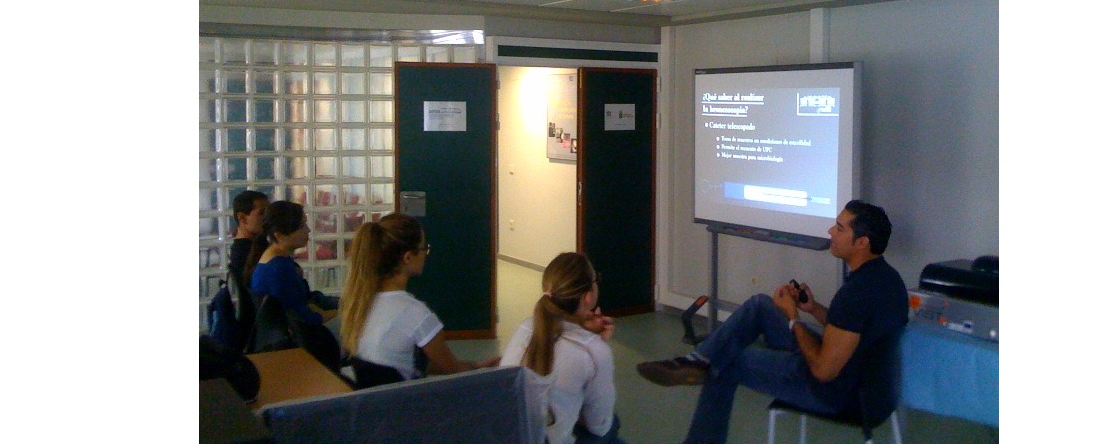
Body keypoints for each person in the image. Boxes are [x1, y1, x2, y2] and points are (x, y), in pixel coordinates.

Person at [636, 200, 908, 444]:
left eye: (839, 229)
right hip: (875, 389)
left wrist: (793, 318)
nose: (830, 232)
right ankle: (697, 359)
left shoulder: (856, 294)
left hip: (836, 393)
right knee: (760, 305)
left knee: (728, 361)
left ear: (862, 243)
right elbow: (851, 331)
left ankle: (701, 414)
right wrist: (812, 309)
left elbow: (824, 371)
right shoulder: (887, 280)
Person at [339, 213, 499, 380]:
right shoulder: (415, 313)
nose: (425, 254)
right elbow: (454, 369)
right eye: (424, 249)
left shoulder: (359, 303)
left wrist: (477, 365)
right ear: (408, 257)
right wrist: (481, 367)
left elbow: (406, 362)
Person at [500, 252, 623, 444]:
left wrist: (587, 336)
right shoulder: (594, 351)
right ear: (588, 297)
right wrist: (596, 345)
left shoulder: (526, 327)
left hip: (511, 435)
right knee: (613, 423)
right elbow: (598, 425)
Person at [247, 201, 337, 325]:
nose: (309, 230)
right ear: (279, 236)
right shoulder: (278, 270)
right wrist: (344, 312)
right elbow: (306, 320)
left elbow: (303, 304)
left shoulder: (278, 260)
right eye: (302, 226)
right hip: (299, 336)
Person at [228, 190, 268, 283]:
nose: (268, 217)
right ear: (242, 218)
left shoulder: (258, 242)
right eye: (262, 213)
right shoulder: (243, 252)